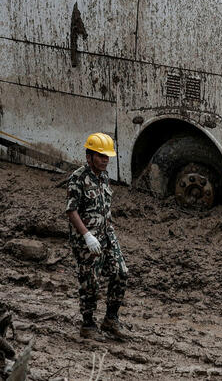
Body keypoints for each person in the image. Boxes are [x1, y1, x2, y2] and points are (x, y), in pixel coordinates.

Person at [66, 133, 129, 339]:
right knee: (90, 282)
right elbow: (71, 211)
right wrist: (86, 236)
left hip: (107, 235)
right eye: (101, 156)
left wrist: (107, 230)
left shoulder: (103, 176)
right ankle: (88, 324)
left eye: (107, 156)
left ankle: (111, 319)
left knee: (121, 272)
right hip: (87, 240)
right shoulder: (78, 178)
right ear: (89, 156)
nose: (105, 160)